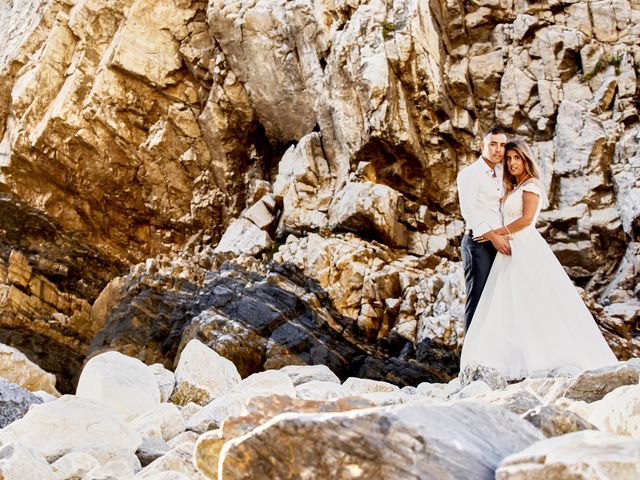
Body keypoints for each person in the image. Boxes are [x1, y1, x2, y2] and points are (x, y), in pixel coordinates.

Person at [460, 139, 617, 380]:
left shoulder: (531, 185)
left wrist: (495, 234)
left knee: (533, 300)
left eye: (517, 158)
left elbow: (525, 220)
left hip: (524, 245)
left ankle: (545, 356)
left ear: (525, 159)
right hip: (509, 247)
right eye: (509, 158)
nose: (512, 163)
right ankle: (507, 361)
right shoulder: (512, 186)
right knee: (508, 303)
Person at [457, 126, 512, 333]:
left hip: (498, 243)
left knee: (496, 300)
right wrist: (494, 237)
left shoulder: (502, 173)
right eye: (493, 144)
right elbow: (469, 212)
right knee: (477, 298)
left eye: (502, 145)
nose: (498, 150)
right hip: (478, 243)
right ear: (482, 146)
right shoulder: (469, 174)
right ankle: (470, 357)